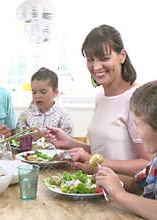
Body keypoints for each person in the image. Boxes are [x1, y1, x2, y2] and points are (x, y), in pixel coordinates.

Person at [46, 24, 151, 176]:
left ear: (122, 55)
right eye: (90, 60)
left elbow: (148, 164)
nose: (96, 67)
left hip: (126, 193)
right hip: (99, 188)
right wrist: (70, 143)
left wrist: (96, 163)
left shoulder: (137, 99)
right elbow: (105, 153)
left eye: (104, 58)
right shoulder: (101, 98)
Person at [96, 76, 157, 219]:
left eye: (137, 125)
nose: (136, 131)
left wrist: (120, 195)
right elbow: (137, 184)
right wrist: (108, 179)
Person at [16, 67, 73, 139]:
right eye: (34, 92)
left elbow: (68, 143)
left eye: (43, 92)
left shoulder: (64, 115)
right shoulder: (25, 115)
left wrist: (42, 136)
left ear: (55, 92)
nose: (37, 96)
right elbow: (17, 140)